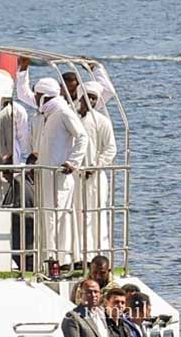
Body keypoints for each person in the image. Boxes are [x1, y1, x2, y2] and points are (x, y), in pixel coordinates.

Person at [31, 77, 88, 266]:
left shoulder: (63, 112)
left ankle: (61, 259)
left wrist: (72, 162)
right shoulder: (49, 114)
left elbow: (82, 137)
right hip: (46, 174)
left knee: (59, 217)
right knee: (49, 216)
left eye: (38, 95)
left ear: (45, 96)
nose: (36, 98)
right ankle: (51, 257)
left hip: (60, 176)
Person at [75, 81, 117, 262]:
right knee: (76, 215)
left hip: (95, 177)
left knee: (95, 215)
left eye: (94, 98)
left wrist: (95, 166)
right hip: (75, 175)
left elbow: (110, 148)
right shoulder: (74, 118)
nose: (90, 101)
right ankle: (78, 256)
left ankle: (97, 256)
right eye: (87, 96)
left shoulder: (102, 122)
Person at [0, 154, 35, 272]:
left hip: (23, 241)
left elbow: (20, 212)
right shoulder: (21, 183)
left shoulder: (19, 184)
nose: (4, 176)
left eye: (5, 171)